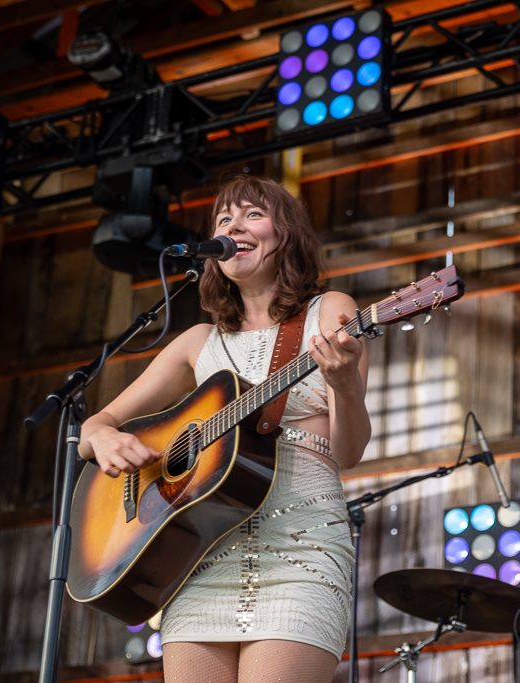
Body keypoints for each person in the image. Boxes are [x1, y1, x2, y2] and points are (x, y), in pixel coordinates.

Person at [79, 175, 371, 683]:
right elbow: (95, 425)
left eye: (253, 214)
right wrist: (103, 436)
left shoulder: (332, 312)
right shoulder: (197, 341)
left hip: (301, 551)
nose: (235, 226)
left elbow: (349, 453)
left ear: (286, 235)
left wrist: (344, 388)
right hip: (200, 559)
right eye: (223, 220)